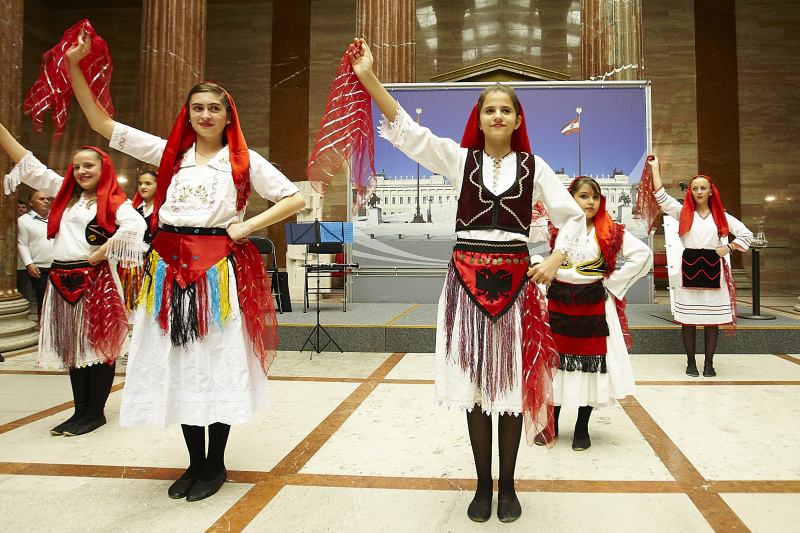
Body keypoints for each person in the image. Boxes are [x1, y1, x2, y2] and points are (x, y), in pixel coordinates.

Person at [349, 38, 587, 523]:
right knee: (477, 387)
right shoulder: (459, 160)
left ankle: (510, 486)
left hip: (518, 287)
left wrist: (556, 256)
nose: (497, 117)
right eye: (489, 110)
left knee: (514, 390)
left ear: (519, 120)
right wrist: (369, 78)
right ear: (478, 120)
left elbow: (574, 219)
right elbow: (409, 132)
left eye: (506, 110)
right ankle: (482, 484)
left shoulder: (535, 167)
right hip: (464, 284)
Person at [68, 32, 305, 502]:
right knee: (178, 364)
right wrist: (75, 66)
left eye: (213, 108)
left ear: (227, 114)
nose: (205, 115)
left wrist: (246, 226)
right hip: (167, 275)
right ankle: (193, 462)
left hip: (216, 275)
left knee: (216, 364)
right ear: (188, 114)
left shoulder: (243, 161)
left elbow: (294, 197)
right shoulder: (168, 155)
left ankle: (214, 465)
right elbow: (101, 122)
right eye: (197, 107)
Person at [1, 122, 146, 436]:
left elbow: (135, 227)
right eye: (77, 166)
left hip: (95, 278)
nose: (82, 171)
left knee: (98, 347)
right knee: (71, 346)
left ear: (102, 168)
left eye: (88, 166)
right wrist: (3, 133)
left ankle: (95, 412)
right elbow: (31, 168)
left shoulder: (114, 202)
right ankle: (79, 411)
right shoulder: (64, 194)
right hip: (60, 276)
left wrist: (104, 250)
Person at [536, 177, 652, 451]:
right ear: (571, 199)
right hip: (558, 304)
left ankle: (581, 427)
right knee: (556, 365)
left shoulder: (612, 231)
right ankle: (550, 423)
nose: (590, 202)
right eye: (583, 196)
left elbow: (644, 256)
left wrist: (611, 285)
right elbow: (524, 236)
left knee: (591, 368)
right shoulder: (554, 227)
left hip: (594, 307)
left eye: (595, 197)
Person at [648, 156, 752, 377]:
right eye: (695, 188)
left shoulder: (721, 216)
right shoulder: (683, 213)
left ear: (711, 191)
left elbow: (746, 234)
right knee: (689, 320)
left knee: (711, 321)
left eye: (703, 188)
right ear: (690, 192)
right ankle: (691, 363)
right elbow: (661, 197)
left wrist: (729, 248)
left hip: (715, 268)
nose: (699, 192)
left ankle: (709, 364)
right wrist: (655, 168)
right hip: (690, 267)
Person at [18, 190, 53, 319]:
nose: (46, 201)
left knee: (61, 302)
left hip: (59, 266)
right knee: (44, 301)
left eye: (48, 199)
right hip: (40, 268)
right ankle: (44, 332)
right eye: (41, 199)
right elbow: (22, 244)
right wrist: (29, 264)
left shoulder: (57, 217)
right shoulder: (24, 220)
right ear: (31, 203)